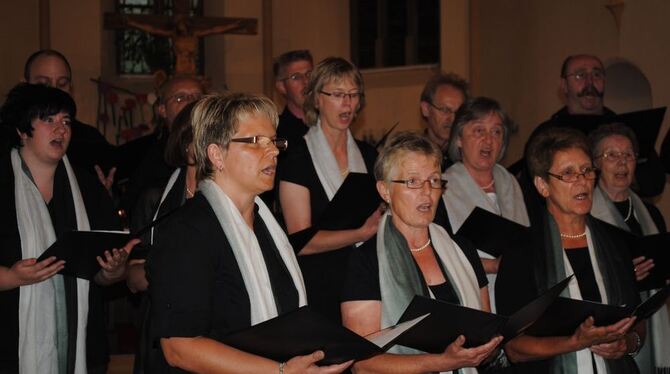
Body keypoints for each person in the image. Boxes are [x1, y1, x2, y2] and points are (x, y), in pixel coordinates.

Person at [147, 93, 351, 373]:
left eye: (274, 141)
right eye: (256, 142)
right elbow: (179, 347)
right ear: (216, 155)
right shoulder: (186, 231)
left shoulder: (269, 227)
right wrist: (279, 371)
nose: (274, 151)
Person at [0, 83, 137, 374]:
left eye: (66, 122)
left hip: (81, 344)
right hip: (9, 342)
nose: (60, 130)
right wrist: (9, 277)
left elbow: (105, 269)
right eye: (48, 120)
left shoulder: (88, 187)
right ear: (23, 131)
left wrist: (112, 270)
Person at [341, 132, 503, 373]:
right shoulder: (365, 262)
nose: (427, 192)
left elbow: (483, 329)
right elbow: (362, 363)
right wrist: (443, 362)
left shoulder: (462, 250)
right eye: (413, 182)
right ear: (385, 191)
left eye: (435, 180)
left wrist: (487, 347)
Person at [497, 126, 645, 373]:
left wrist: (627, 343)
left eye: (586, 170)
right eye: (568, 173)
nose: (582, 181)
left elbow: (637, 320)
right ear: (543, 185)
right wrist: (573, 343)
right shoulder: (522, 251)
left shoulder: (615, 243)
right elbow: (514, 348)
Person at [278, 57, 381, 322]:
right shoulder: (296, 159)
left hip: (368, 279)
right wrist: (360, 233)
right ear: (316, 99)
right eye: (337, 94)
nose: (347, 103)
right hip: (321, 284)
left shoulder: (370, 156)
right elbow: (300, 242)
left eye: (353, 94)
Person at [588, 123, 669, 373]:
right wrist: (623, 277)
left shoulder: (652, 213)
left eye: (628, 155)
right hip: (606, 319)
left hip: (652, 312)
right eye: (611, 155)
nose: (622, 162)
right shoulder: (585, 212)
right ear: (595, 164)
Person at [525, 54, 664, 199]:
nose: (590, 82)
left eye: (597, 74)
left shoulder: (624, 129)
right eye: (580, 75)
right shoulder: (548, 134)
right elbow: (532, 190)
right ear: (564, 85)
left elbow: (654, 183)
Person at [438, 97, 529, 312]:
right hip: (470, 295)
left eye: (496, 132)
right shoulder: (443, 186)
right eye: (479, 131)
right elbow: (440, 254)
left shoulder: (510, 181)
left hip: (516, 294)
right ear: (459, 138)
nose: (489, 140)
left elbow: (526, 240)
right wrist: (494, 266)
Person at [23, 49, 117, 188]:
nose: (54, 92)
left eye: (61, 84)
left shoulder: (90, 139)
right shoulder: (6, 140)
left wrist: (101, 198)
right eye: (43, 84)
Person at [122, 74, 204, 216]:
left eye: (197, 97)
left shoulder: (221, 145)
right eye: (180, 97)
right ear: (162, 110)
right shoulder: (144, 152)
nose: (192, 102)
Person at [419, 72, 468, 171]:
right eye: (446, 110)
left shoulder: (468, 157)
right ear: (426, 109)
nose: (453, 119)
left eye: (458, 113)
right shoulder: (412, 154)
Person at [274, 49, 313, 148]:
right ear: (282, 87)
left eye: (309, 74)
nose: (306, 82)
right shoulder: (277, 134)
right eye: (296, 77)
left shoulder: (330, 124)